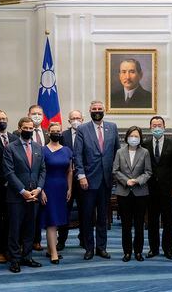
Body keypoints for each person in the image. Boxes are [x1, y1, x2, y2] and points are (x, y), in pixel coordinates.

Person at [73, 100, 120, 260]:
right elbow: (77, 154)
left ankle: (102, 247)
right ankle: (89, 248)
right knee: (87, 216)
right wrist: (81, 176)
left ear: (104, 110)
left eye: (100, 108)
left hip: (106, 180)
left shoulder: (112, 127)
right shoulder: (82, 129)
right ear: (90, 111)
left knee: (102, 217)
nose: (97, 111)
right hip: (87, 180)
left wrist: (115, 173)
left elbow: (117, 152)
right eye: (94, 109)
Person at [3, 117, 46, 273]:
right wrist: (23, 191)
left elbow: (42, 170)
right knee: (15, 229)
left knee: (30, 228)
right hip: (16, 196)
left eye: (31, 128)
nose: (28, 130)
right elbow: (9, 172)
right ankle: (14, 260)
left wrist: (39, 189)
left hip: (34, 195)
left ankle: (27, 257)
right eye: (25, 128)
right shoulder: (10, 148)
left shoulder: (38, 147)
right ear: (19, 129)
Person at [13, 104, 50, 251]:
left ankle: (36, 241)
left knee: (38, 213)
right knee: (24, 216)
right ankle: (22, 245)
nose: (37, 116)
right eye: (34, 113)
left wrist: (41, 187)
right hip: (24, 182)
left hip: (43, 178)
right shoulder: (16, 134)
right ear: (28, 114)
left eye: (39, 114)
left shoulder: (48, 133)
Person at [142, 116, 172, 260]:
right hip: (150, 189)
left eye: (159, 125)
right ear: (150, 127)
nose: (157, 127)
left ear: (164, 127)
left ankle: (168, 249)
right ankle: (153, 249)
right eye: (154, 125)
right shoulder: (145, 145)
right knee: (152, 221)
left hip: (168, 189)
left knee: (168, 220)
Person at [113, 126, 152, 262]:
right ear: (127, 137)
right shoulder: (120, 152)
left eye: (136, 136)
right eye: (132, 136)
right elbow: (115, 170)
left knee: (139, 224)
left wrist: (137, 181)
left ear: (140, 138)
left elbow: (148, 172)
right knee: (126, 225)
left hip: (140, 193)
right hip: (123, 193)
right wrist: (126, 181)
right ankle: (127, 252)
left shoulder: (145, 152)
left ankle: (138, 252)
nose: (134, 138)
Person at [40, 122, 73, 264]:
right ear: (48, 133)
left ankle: (49, 249)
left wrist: (70, 188)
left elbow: (70, 171)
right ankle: (54, 253)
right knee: (51, 221)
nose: (56, 133)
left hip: (62, 188)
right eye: (53, 131)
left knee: (57, 220)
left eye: (58, 131)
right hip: (48, 188)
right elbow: (38, 172)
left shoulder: (67, 150)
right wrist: (40, 190)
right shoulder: (42, 150)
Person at [0, 110, 18, 264]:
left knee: (11, 218)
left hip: (14, 187)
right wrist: (6, 178)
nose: (2, 121)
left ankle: (10, 248)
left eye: (4, 118)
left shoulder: (14, 138)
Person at [58, 110, 84, 251]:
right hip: (65, 179)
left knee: (84, 210)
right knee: (64, 210)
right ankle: (61, 240)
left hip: (82, 179)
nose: (75, 120)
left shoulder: (87, 133)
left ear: (82, 119)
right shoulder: (63, 135)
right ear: (68, 121)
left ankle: (83, 238)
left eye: (78, 118)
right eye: (73, 118)